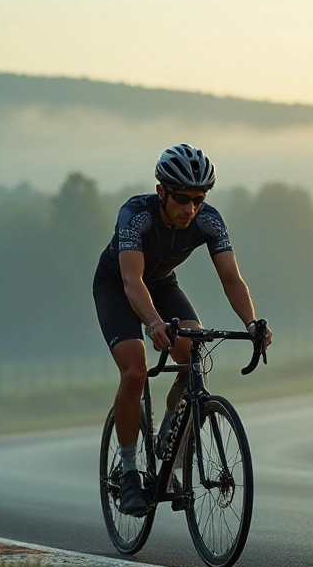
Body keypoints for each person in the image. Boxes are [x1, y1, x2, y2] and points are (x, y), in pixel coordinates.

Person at [92, 143, 272, 517]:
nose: (191, 208)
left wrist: (251, 323)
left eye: (199, 199)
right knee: (135, 371)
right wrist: (153, 323)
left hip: (161, 284)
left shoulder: (209, 220)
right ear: (162, 192)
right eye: (182, 199)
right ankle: (128, 473)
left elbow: (231, 279)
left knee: (194, 352)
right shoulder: (135, 215)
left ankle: (173, 434)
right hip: (119, 286)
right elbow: (131, 281)